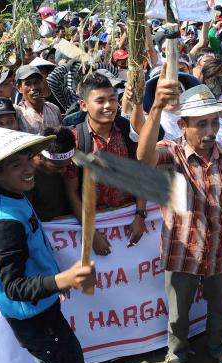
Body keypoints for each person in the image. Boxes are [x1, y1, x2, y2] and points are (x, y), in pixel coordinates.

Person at [137, 83, 222, 363]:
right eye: (201, 124)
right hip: (181, 253)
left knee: (219, 309)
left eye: (214, 122)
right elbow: (143, 156)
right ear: (182, 125)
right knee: (178, 314)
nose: (210, 130)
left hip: (220, 250)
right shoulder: (170, 154)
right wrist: (156, 109)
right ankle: (176, 355)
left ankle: (219, 348)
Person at [0, 126, 96, 363]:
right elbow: (13, 287)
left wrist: (54, 279)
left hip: (40, 308)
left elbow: (36, 248)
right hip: (34, 318)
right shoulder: (4, 223)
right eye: (16, 165)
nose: (28, 169)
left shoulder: (16, 196)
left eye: (28, 160)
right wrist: (60, 280)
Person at [64, 73, 147, 255]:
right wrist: (91, 234)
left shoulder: (128, 132)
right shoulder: (76, 141)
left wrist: (140, 215)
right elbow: (71, 191)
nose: (109, 106)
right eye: (100, 101)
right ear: (84, 105)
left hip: (128, 223)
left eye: (112, 99)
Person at [27, 126, 74, 221]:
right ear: (39, 155)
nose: (64, 170)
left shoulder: (69, 165)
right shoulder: (26, 177)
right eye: (58, 167)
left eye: (68, 164)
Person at [14, 65, 61, 134]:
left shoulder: (54, 109)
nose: (33, 87)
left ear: (42, 83)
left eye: (37, 82)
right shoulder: (18, 112)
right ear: (19, 88)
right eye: (28, 84)